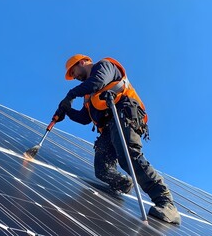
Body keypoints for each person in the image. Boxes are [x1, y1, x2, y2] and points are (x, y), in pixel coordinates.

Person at [53, 54, 181, 224]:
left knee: (128, 157)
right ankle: (123, 184)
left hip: (124, 113)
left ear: (82, 62)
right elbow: (85, 118)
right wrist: (66, 110)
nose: (74, 76)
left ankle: (166, 203)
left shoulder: (103, 66)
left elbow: (97, 82)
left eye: (73, 71)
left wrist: (70, 94)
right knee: (102, 169)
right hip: (108, 126)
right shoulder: (87, 94)